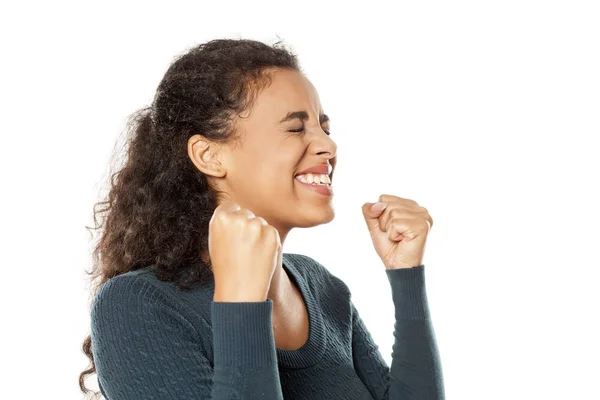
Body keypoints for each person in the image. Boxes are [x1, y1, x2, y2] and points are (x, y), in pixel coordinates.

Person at [79, 38, 445, 399]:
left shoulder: (319, 287)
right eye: (296, 128)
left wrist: (406, 275)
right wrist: (240, 304)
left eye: (325, 128)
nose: (328, 146)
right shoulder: (138, 304)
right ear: (209, 155)